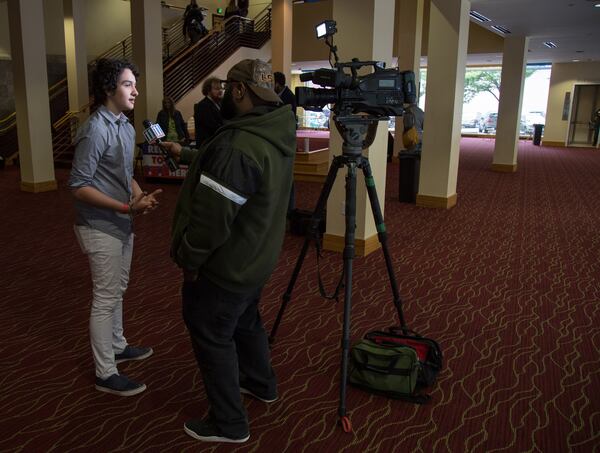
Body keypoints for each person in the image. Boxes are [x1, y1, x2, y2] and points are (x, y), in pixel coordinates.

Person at [162, 59, 296, 443]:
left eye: (227, 87)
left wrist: (188, 260)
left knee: (211, 333)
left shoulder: (240, 145)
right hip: (256, 261)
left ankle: (229, 423)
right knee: (246, 321)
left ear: (239, 91)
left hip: (225, 268)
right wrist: (188, 155)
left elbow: (210, 222)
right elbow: (231, 168)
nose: (221, 93)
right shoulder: (273, 131)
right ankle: (260, 383)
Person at [69, 58, 162, 396]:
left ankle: (118, 346)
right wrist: (126, 206)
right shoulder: (95, 129)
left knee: (117, 290)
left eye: (134, 84)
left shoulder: (124, 125)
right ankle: (105, 372)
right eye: (127, 84)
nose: (135, 90)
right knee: (105, 297)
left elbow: (123, 174)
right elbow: (79, 185)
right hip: (98, 225)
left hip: (122, 220)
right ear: (109, 89)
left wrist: (139, 197)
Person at [193, 77, 224, 146]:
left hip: (217, 142)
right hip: (208, 145)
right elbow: (213, 127)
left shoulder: (220, 103)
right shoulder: (202, 106)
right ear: (208, 90)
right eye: (217, 89)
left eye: (221, 88)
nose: (220, 91)